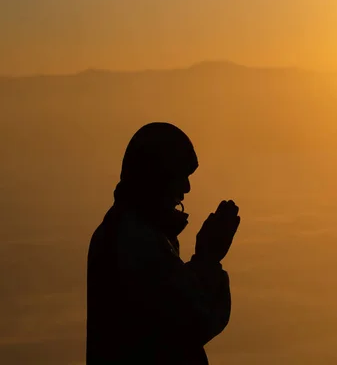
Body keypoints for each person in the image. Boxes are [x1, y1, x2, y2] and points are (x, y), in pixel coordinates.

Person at [86, 122, 240, 364]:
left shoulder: (131, 234)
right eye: (182, 176)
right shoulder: (135, 242)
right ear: (156, 176)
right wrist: (208, 259)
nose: (187, 188)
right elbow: (193, 321)